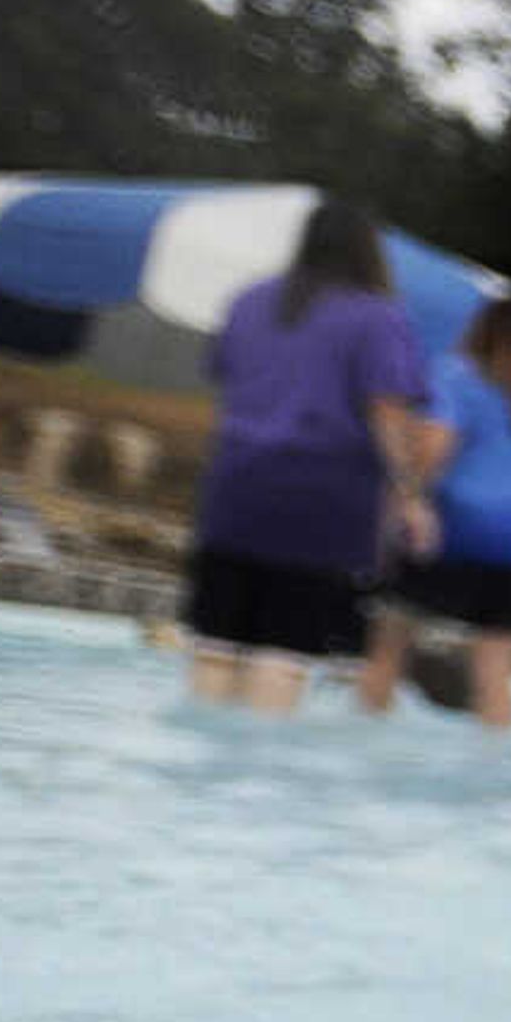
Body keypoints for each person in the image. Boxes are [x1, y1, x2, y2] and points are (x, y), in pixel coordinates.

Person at [180, 199, 429, 713]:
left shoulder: (248, 301)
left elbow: (228, 384)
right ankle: (253, 784)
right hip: (323, 499)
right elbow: (387, 413)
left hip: (235, 488)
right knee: (285, 651)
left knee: (215, 645)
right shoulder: (377, 317)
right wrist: (410, 496)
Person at [356, 293, 511, 730]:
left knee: (389, 645)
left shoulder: (457, 378)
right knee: (495, 672)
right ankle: (495, 778)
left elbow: (434, 449)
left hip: (453, 531)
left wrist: (410, 497)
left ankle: (359, 742)